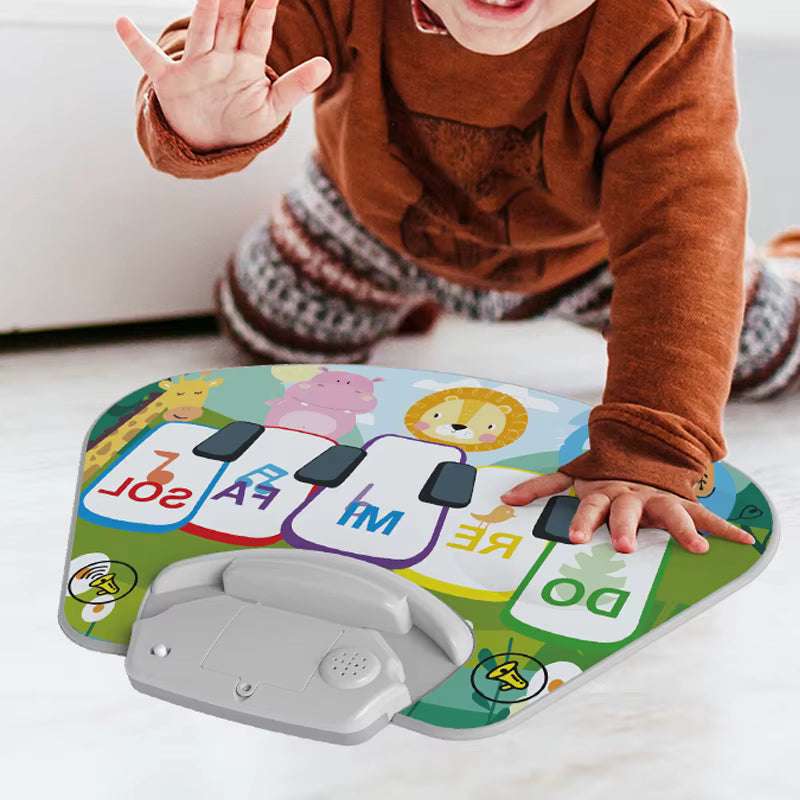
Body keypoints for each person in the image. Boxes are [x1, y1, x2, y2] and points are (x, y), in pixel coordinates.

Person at [116, 0, 796, 554]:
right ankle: (404, 299)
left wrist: (649, 449)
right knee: (271, 337)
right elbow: (232, 46)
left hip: (588, 256)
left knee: (773, 353)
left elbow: (678, 238)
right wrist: (198, 121)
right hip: (368, 224)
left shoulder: (666, 36)